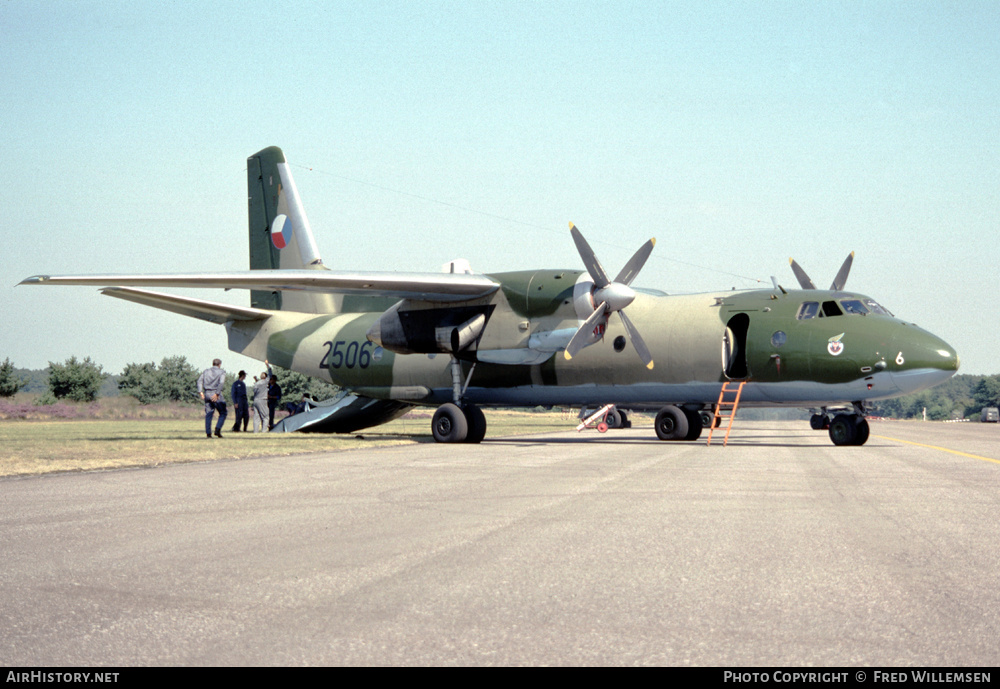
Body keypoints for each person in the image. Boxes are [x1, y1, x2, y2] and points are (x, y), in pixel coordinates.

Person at [197, 358, 228, 438]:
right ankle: (217, 429)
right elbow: (221, 383)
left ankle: (208, 433)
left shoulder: (206, 371)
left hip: (207, 393)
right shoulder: (222, 372)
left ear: (213, 364)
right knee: (223, 412)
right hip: (216, 393)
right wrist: (217, 394)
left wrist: (201, 392)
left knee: (208, 414)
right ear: (219, 364)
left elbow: (199, 381)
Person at [252, 368, 270, 433]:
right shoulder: (265, 382)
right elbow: (270, 375)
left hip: (256, 400)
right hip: (262, 400)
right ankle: (264, 431)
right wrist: (268, 366)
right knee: (266, 416)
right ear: (265, 377)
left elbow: (255, 391)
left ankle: (255, 432)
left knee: (256, 417)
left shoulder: (256, 383)